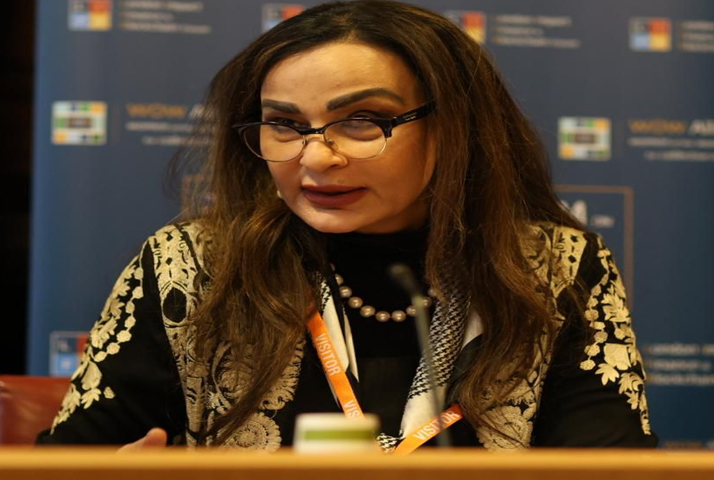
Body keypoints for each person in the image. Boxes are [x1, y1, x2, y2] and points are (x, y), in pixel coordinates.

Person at [37, 0, 656, 451]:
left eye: (362, 121)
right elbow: (67, 463)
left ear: (454, 128)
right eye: (284, 124)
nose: (316, 158)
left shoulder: (557, 267)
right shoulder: (190, 267)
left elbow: (608, 464)